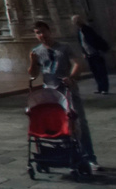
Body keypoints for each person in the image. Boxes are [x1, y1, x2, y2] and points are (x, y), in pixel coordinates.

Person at [29, 20, 97, 173]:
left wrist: (71, 77)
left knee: (79, 122)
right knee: (58, 124)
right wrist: (32, 62)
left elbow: (77, 63)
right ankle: (66, 155)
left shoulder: (64, 47)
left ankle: (89, 157)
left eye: (43, 31)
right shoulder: (37, 51)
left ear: (49, 31)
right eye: (38, 33)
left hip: (67, 89)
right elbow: (33, 74)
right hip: (50, 93)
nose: (41, 35)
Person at [72, 15, 111, 94]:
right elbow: (82, 43)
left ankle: (104, 88)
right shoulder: (79, 31)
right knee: (95, 72)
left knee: (101, 71)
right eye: (75, 21)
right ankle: (100, 88)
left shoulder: (87, 29)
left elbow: (95, 40)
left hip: (95, 53)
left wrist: (99, 49)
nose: (76, 23)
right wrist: (84, 52)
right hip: (89, 54)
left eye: (77, 21)